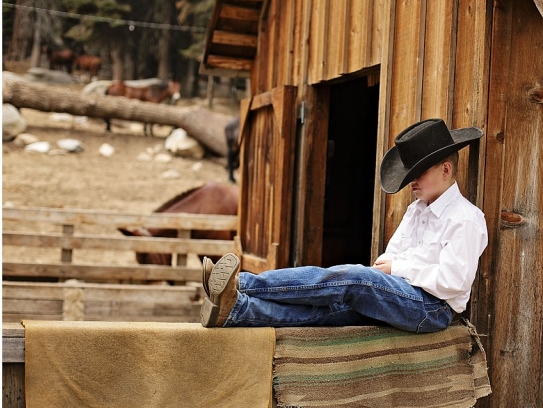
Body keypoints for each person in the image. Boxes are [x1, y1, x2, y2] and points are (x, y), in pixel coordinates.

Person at [199, 118, 488, 333]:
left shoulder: (464, 219)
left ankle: (241, 284)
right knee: (331, 309)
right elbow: (391, 255)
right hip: (403, 294)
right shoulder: (417, 210)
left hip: (432, 309)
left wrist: (395, 270)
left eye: (418, 173)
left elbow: (453, 282)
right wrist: (389, 271)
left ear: (446, 170)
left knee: (354, 278)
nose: (411, 181)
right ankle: (236, 309)